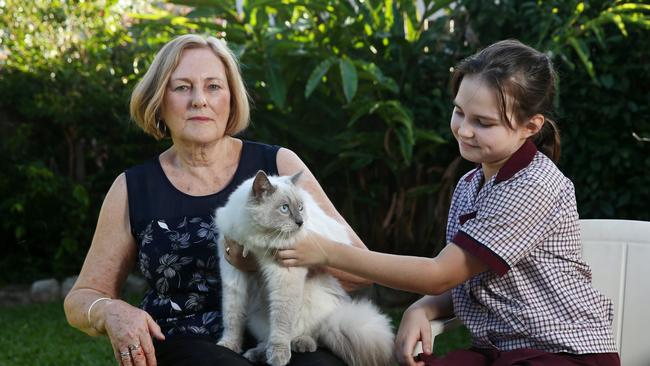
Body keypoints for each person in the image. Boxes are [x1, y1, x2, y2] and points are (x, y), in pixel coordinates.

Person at [277, 39, 620, 366]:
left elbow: (439, 274)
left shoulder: (533, 186)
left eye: (483, 123)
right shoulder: (472, 184)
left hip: (562, 352)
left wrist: (328, 252)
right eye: (459, 112)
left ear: (530, 126)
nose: (464, 130)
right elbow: (464, 279)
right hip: (501, 349)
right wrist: (422, 309)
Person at [63, 34, 371, 366]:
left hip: (286, 332)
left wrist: (279, 258)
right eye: (182, 87)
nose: (199, 100)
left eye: (213, 86)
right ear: (158, 100)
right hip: (186, 343)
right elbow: (81, 297)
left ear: (231, 98)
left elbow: (360, 267)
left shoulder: (279, 166)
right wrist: (110, 310)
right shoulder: (133, 187)